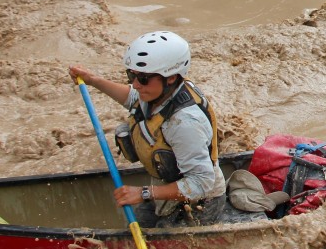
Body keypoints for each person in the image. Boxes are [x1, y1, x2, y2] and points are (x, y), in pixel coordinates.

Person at [69, 30, 227, 227]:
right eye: (132, 75)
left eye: (143, 78)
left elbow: (201, 183)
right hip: (167, 187)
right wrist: (93, 80)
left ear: (171, 77)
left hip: (201, 200)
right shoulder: (156, 94)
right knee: (139, 226)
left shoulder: (184, 123)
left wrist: (143, 193)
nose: (135, 84)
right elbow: (132, 99)